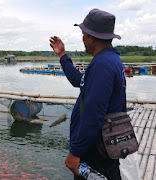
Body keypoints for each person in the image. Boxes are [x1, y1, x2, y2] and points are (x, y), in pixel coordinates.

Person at [50, 8, 126, 180]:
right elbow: (79, 80)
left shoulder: (102, 65)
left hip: (96, 151)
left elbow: (93, 113)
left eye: (83, 34)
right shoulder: (109, 60)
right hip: (106, 146)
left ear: (91, 37)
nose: (82, 38)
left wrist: (75, 151)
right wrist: (62, 55)